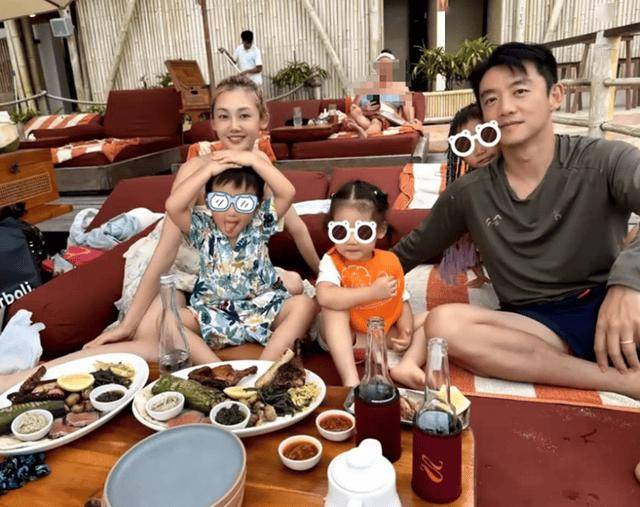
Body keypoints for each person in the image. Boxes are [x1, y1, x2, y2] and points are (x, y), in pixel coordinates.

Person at [0, 75, 316, 393]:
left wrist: (322, 272)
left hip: (220, 271)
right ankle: (30, 376)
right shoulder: (196, 170)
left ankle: (246, 377)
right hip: (176, 264)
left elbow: (297, 226)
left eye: (244, 115)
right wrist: (128, 323)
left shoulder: (263, 169)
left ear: (262, 119)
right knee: (155, 335)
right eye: (224, 116)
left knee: (294, 286)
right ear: (213, 122)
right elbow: (166, 251)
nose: (234, 126)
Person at [391, 42, 640, 399]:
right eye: (491, 99)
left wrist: (628, 283)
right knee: (445, 324)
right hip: (533, 324)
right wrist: (345, 280)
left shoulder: (603, 160)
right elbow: (410, 251)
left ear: (555, 95)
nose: (506, 108)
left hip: (609, 302)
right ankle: (620, 382)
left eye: (520, 91)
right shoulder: (469, 192)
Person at [390, 103, 500, 387]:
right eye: (465, 143)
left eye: (487, 135)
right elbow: (417, 244)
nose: (480, 149)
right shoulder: (464, 193)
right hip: (515, 304)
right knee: (437, 321)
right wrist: (373, 275)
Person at [165, 150, 314, 358]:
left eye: (243, 203)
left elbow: (287, 192)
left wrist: (254, 160)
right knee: (167, 320)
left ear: (257, 205)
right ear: (208, 202)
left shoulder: (260, 223)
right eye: (221, 201)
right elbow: (173, 205)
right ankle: (215, 367)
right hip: (215, 314)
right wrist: (207, 171)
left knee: (304, 305)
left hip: (262, 308)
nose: (231, 212)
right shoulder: (203, 229)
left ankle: (266, 367)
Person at [315, 180, 425, 387]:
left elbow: (401, 299)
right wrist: (372, 292)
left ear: (380, 230)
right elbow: (324, 296)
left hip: (379, 334)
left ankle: (408, 364)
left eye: (363, 231)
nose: (351, 240)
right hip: (346, 336)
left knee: (430, 320)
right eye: (340, 231)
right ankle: (351, 379)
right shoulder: (332, 260)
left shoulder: (390, 261)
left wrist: (406, 329)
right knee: (333, 308)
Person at [345, 49, 422, 138]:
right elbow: (353, 107)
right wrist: (363, 109)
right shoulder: (366, 85)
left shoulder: (402, 87)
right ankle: (364, 130)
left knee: (376, 121)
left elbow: (408, 108)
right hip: (365, 115)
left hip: (385, 116)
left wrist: (411, 120)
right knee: (358, 113)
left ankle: (364, 133)